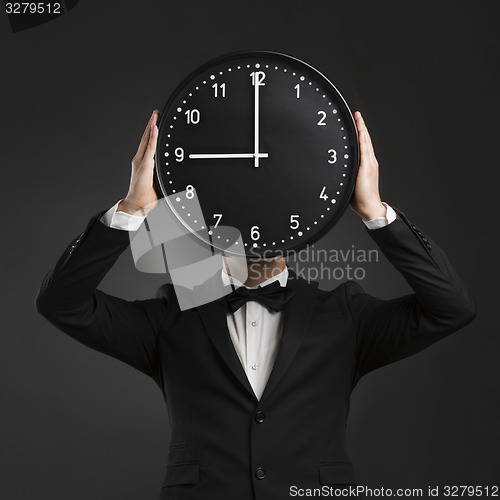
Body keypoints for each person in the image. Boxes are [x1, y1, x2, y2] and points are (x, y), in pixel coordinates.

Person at [35, 110, 477, 500]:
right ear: (210, 227)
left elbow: (452, 307)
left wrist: (375, 213)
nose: (256, 233)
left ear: (301, 225)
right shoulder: (173, 313)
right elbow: (62, 303)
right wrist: (132, 209)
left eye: (271, 215)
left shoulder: (346, 315)